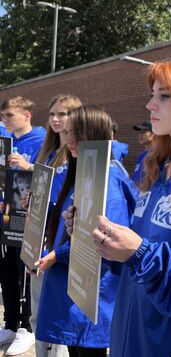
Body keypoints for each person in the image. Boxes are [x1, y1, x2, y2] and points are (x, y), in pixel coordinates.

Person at [64, 58, 171, 356]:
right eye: (153, 94)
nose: (150, 104)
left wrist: (139, 254)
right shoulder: (159, 170)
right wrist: (98, 234)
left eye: (164, 95)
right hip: (132, 333)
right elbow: (136, 253)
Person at [35, 105, 134, 357]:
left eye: (76, 133)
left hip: (91, 290)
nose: (69, 140)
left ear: (94, 133)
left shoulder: (108, 179)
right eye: (67, 133)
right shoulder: (83, 172)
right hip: (73, 287)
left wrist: (59, 254)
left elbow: (107, 238)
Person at [30, 94, 80, 357]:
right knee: (38, 307)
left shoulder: (77, 154)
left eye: (62, 113)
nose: (55, 119)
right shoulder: (48, 152)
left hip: (63, 240)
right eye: (52, 114)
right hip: (41, 236)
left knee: (59, 311)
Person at [0, 96, 46, 355]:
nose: (5, 120)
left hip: (27, 217)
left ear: (27, 114)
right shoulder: (6, 143)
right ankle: (9, 323)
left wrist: (28, 166)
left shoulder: (41, 141)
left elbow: (52, 177)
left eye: (10, 115)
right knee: (5, 271)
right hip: (6, 214)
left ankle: (26, 328)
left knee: (24, 271)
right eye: (3, 116)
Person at [130, 120, 154, 186]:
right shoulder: (141, 156)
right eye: (140, 132)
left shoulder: (157, 156)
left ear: (153, 133)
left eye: (144, 132)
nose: (140, 135)